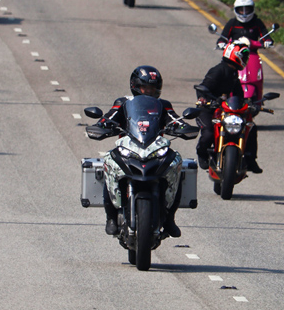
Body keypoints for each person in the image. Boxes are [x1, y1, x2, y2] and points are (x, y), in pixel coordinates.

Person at [89, 66, 185, 238]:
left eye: (153, 88)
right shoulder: (123, 103)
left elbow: (175, 120)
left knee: (177, 163)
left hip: (155, 148)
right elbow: (108, 118)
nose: (149, 91)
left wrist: (183, 127)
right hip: (128, 147)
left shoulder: (163, 105)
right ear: (135, 86)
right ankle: (111, 217)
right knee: (109, 162)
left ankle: (170, 218)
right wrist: (100, 126)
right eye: (145, 88)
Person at [194, 40, 263, 174]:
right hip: (208, 108)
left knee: (250, 126)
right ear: (234, 55)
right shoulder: (218, 71)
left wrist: (249, 104)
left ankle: (249, 159)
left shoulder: (233, 73)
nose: (246, 59)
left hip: (224, 109)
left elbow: (238, 94)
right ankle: (202, 153)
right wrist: (203, 99)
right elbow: (203, 87)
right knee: (208, 132)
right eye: (244, 56)